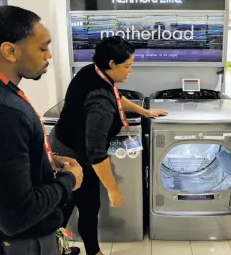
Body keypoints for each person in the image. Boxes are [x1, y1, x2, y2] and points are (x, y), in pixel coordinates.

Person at [0, 5, 83, 255]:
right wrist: (69, 181)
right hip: (23, 244)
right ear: (10, 50)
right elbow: (15, 215)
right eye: (42, 47)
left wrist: (44, 161)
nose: (48, 55)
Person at [49, 36, 168, 255]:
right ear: (111, 63)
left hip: (62, 143)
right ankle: (88, 251)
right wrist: (113, 190)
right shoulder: (100, 102)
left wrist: (144, 112)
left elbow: (116, 96)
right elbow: (95, 153)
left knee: (67, 204)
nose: (130, 71)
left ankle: (60, 248)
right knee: (85, 205)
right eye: (127, 66)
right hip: (74, 156)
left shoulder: (91, 71)